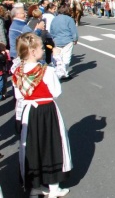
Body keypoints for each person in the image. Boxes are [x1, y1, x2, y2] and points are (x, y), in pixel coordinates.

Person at [12, 33, 72, 198]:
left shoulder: (17, 71)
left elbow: (18, 96)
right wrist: (58, 59)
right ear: (32, 51)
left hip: (28, 113)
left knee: (33, 147)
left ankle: (35, 186)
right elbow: (56, 91)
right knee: (51, 145)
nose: (42, 50)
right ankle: (54, 187)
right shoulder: (46, 71)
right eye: (39, 48)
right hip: (47, 112)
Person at [50, 4, 78, 79]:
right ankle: (64, 72)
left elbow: (51, 30)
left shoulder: (54, 19)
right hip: (67, 40)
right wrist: (75, 39)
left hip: (57, 40)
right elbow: (73, 31)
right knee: (66, 57)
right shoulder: (69, 19)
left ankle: (58, 71)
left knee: (58, 57)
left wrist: (53, 38)